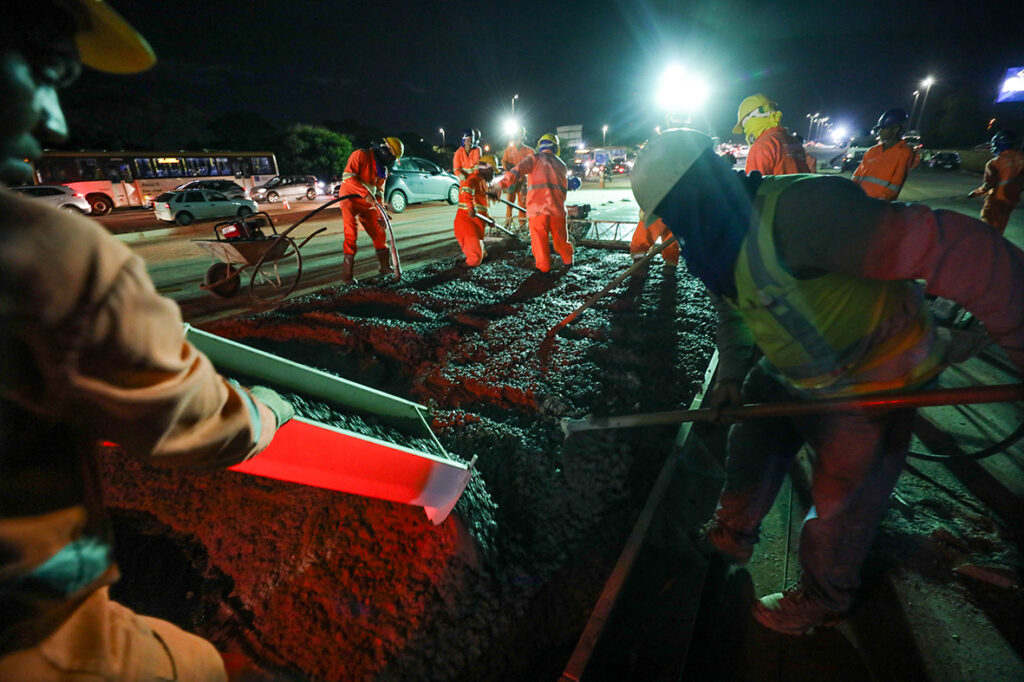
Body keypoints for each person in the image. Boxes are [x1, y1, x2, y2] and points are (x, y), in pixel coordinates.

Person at [0, 2, 296, 679]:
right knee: (201, 668)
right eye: (44, 72)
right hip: (24, 637)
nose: (56, 119)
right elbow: (200, 422)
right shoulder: (45, 252)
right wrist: (270, 407)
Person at [630, 128, 1024, 635]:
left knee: (843, 500)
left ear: (692, 197)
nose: (671, 231)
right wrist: (730, 373)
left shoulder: (803, 214)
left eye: (671, 217)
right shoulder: (716, 242)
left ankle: (825, 596)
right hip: (801, 368)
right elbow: (735, 307)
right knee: (753, 433)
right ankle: (735, 530)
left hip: (874, 373)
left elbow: (964, 251)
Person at [491, 133, 574, 273]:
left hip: (537, 211)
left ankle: (544, 270)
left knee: (540, 243)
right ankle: (568, 263)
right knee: (561, 241)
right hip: (558, 212)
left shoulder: (534, 159)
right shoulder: (562, 164)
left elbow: (516, 172)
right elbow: (564, 189)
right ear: (555, 147)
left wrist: (499, 185)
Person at [337, 136, 404, 283]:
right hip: (349, 199)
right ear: (386, 150)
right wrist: (366, 193)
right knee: (351, 235)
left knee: (380, 232)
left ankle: (385, 267)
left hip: (368, 203)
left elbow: (379, 193)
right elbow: (349, 177)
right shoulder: (360, 155)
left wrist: (381, 214)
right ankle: (347, 275)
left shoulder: (383, 172)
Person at [733, 94, 812, 175]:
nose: (746, 130)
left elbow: (753, 185)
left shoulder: (762, 145)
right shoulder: (794, 141)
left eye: (744, 126)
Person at [852, 108, 919, 201]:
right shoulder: (872, 151)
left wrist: (882, 202)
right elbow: (857, 176)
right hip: (860, 201)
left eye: (883, 128)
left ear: (895, 130)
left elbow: (896, 183)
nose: (879, 132)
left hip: (879, 206)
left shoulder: (905, 152)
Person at [968, 131, 1024, 233]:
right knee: (1001, 227)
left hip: (997, 200)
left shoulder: (994, 163)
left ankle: (987, 246)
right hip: (1012, 200)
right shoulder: (1021, 158)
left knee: (988, 229)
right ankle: (997, 245)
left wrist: (975, 193)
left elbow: (988, 185)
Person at [454, 154, 497, 267]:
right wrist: (470, 208)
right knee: (475, 258)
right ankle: (461, 271)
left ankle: (472, 260)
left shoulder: (482, 183)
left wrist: (488, 219)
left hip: (475, 224)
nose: (493, 174)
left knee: (481, 254)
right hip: (466, 223)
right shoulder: (473, 180)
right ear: (485, 168)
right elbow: (467, 192)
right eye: (492, 171)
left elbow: (482, 206)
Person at [500, 126, 533, 231]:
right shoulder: (509, 150)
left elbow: (534, 164)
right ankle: (508, 223)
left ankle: (522, 225)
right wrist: (507, 170)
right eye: (516, 136)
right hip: (512, 180)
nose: (517, 138)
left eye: (519, 136)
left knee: (522, 204)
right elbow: (504, 162)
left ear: (523, 137)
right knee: (509, 203)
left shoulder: (529, 151)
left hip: (523, 181)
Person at [629, 208, 679, 276]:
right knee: (671, 240)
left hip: (657, 207)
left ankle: (639, 264)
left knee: (644, 235)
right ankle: (670, 267)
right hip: (673, 207)